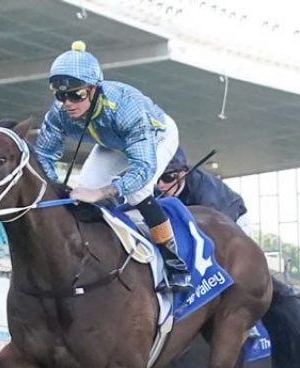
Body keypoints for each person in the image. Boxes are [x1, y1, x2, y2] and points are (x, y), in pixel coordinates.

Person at [33, 41, 191, 291]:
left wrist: (103, 192)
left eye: (76, 95)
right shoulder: (59, 112)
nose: (68, 103)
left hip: (156, 136)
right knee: (83, 192)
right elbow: (43, 153)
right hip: (110, 141)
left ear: (94, 89)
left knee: (137, 191)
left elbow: (142, 168)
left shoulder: (127, 107)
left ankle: (175, 264)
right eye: (61, 95)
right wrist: (53, 187)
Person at [156, 147, 251, 234]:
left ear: (182, 174)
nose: (160, 185)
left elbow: (212, 231)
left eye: (167, 177)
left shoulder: (205, 192)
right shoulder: (157, 190)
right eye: (155, 178)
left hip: (231, 219)